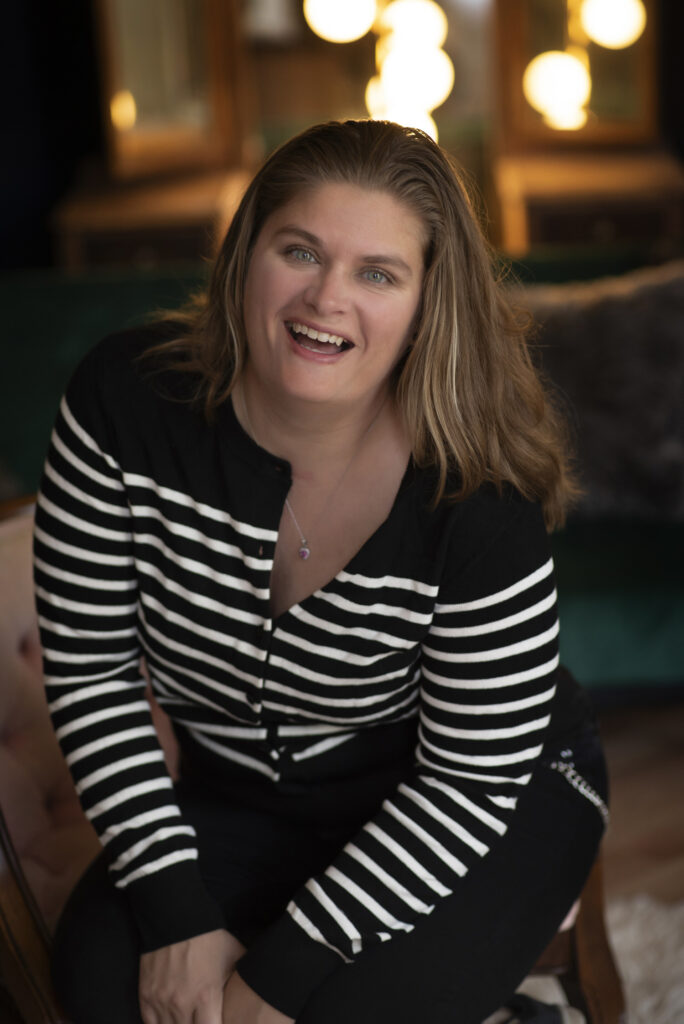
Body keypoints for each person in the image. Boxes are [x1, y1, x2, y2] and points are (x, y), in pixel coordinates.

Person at [34, 119, 608, 1024]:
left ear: (428, 303)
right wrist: (175, 908)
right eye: (299, 250)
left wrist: (277, 976)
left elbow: (468, 782)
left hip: (478, 798)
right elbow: (93, 667)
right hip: (236, 792)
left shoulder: (478, 494)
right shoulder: (123, 403)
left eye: (378, 273)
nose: (327, 297)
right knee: (109, 994)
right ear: (245, 257)